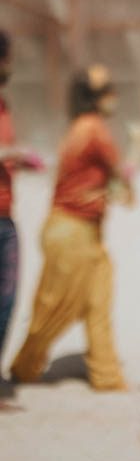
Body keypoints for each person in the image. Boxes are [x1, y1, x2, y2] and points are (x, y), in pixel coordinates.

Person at [9, 65, 130, 391]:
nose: (112, 96)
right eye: (106, 90)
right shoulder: (93, 130)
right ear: (92, 97)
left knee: (98, 303)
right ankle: (23, 368)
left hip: (84, 233)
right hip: (71, 232)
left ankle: (107, 377)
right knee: (53, 310)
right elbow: (122, 177)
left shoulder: (80, 127)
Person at [0, 30, 43, 372]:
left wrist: (21, 161)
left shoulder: (4, 105)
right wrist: (12, 152)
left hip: (5, 214)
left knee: (7, 301)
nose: (9, 66)